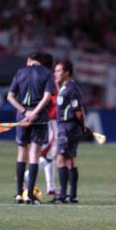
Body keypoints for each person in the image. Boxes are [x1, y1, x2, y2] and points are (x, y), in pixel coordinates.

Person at [7, 51, 54, 204]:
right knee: (34, 154)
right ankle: (29, 196)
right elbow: (47, 97)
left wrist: (25, 112)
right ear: (40, 61)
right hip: (39, 118)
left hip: (22, 118)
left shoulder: (20, 72)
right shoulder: (47, 73)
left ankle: (19, 194)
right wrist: (34, 113)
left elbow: (10, 96)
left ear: (29, 60)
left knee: (21, 154)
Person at [23, 53, 59, 196]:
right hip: (51, 120)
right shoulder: (48, 78)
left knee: (49, 153)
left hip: (49, 120)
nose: (57, 72)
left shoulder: (46, 78)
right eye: (56, 69)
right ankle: (26, 176)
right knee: (50, 153)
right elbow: (51, 100)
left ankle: (51, 186)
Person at [50, 60, 85, 204]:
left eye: (58, 71)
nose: (55, 73)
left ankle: (63, 196)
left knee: (60, 158)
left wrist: (82, 125)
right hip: (68, 126)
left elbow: (78, 111)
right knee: (69, 160)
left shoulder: (71, 89)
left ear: (67, 73)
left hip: (67, 127)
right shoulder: (65, 88)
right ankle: (73, 195)